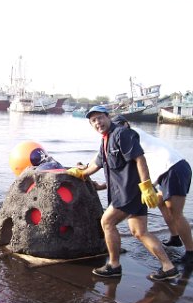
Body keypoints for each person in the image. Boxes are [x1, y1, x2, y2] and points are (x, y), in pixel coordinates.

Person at [66, 105, 179, 281]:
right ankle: (168, 267)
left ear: (107, 117)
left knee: (107, 222)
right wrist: (80, 173)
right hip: (128, 193)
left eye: (100, 118)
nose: (98, 122)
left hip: (130, 192)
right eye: (93, 120)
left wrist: (147, 187)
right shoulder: (104, 141)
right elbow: (96, 165)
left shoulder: (122, 134)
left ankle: (114, 265)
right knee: (139, 232)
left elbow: (139, 159)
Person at [110, 114, 193, 264]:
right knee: (161, 202)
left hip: (173, 168)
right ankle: (175, 238)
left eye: (119, 126)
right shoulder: (128, 136)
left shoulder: (129, 135)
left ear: (126, 124)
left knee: (177, 214)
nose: (117, 131)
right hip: (166, 171)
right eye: (114, 128)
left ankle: (191, 252)